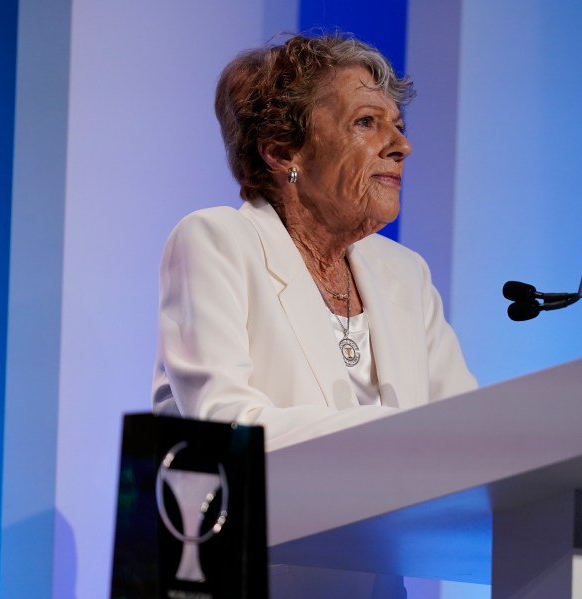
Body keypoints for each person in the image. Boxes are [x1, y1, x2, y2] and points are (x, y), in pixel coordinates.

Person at [151, 33, 477, 596]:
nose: (401, 145)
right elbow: (227, 428)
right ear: (283, 150)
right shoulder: (217, 241)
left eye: (399, 125)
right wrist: (399, 434)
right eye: (367, 123)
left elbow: (468, 437)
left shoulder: (405, 274)